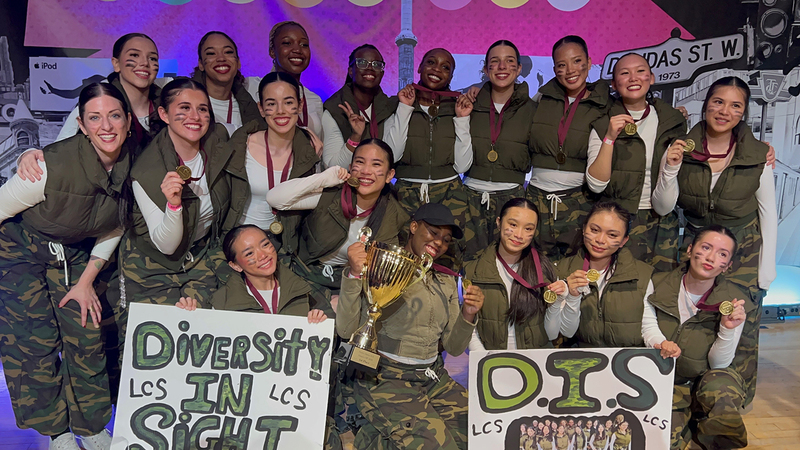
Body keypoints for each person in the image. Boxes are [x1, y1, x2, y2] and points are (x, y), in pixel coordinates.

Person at [0, 83, 132, 450]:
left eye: (114, 115)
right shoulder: (48, 168)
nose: (106, 125)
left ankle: (90, 428)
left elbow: (118, 223)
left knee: (86, 334)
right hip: (19, 250)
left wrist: (87, 280)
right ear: (82, 124)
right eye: (95, 117)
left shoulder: (133, 163)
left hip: (72, 253)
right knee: (32, 341)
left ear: (128, 120)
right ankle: (56, 432)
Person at [336, 202, 484, 449]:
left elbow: (454, 347)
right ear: (414, 227)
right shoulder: (380, 264)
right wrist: (353, 275)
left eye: (446, 239)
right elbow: (345, 329)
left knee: (478, 432)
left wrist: (468, 315)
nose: (439, 242)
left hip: (431, 377)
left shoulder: (446, 280)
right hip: (384, 378)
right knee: (438, 444)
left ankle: (378, 436)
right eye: (433, 233)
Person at [673, 76, 777, 406]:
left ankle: (736, 399)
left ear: (743, 113)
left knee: (741, 323)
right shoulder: (684, 148)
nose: (724, 111)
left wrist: (766, 271)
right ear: (706, 104)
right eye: (718, 101)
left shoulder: (758, 154)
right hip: (697, 241)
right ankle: (693, 389)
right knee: (695, 317)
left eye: (735, 105)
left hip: (743, 249)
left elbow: (768, 214)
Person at [114, 78, 242, 343]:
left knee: (200, 339)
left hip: (199, 256)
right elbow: (166, 244)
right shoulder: (147, 169)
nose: (195, 117)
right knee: (150, 344)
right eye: (183, 108)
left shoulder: (217, 140)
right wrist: (173, 204)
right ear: (164, 114)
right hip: (152, 264)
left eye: (203, 109)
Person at [642, 225, 752, 449]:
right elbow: (647, 325)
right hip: (667, 381)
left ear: (728, 266)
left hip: (704, 379)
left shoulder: (733, 300)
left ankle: (708, 429)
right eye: (706, 247)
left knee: (721, 388)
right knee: (663, 442)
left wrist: (727, 328)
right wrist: (660, 343)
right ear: (690, 250)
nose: (711, 257)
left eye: (722, 254)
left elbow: (719, 364)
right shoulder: (658, 282)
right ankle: (686, 422)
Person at [266, 139, 407, 296]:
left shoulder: (393, 214)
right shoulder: (332, 195)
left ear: (389, 175)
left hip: (347, 281)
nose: (366, 171)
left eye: (376, 164)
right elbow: (275, 198)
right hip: (304, 272)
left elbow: (383, 272)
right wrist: (324, 178)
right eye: (360, 162)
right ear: (351, 168)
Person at [586, 53, 685, 272]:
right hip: (616, 222)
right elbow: (596, 185)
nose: (633, 78)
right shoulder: (603, 122)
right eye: (624, 73)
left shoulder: (672, 121)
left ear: (651, 78)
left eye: (640, 71)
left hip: (661, 224)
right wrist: (609, 137)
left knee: (658, 292)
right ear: (614, 83)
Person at [384, 47, 473, 269]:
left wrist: (462, 119)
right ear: (420, 67)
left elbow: (462, 165)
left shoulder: (457, 107)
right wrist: (404, 108)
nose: (437, 70)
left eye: (445, 67)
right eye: (431, 62)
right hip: (407, 192)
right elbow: (391, 155)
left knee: (447, 259)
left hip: (449, 194)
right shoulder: (401, 103)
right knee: (403, 256)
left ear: (451, 76)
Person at [527, 36, 612, 261]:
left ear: (589, 62)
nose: (570, 70)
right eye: (561, 65)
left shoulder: (605, 104)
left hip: (579, 200)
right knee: (533, 267)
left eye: (576, 61)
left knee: (575, 270)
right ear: (554, 68)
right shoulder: (541, 98)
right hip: (536, 197)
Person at [466, 198, 578, 350]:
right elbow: (470, 329)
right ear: (499, 223)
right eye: (513, 224)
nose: (519, 235)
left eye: (528, 229)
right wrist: (487, 361)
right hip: (491, 363)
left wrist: (560, 301)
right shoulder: (474, 271)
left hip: (535, 364)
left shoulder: (545, 269)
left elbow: (552, 335)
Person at [461, 40, 536, 262]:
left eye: (509, 61)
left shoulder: (533, 110)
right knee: (470, 268)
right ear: (485, 69)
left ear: (519, 68)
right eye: (495, 61)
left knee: (510, 266)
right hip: (470, 197)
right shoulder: (469, 105)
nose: (502, 66)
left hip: (512, 198)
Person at [227, 72, 321, 233]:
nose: (280, 111)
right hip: (242, 237)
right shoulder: (243, 145)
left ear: (300, 105)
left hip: (285, 241)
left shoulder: (310, 149)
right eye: (271, 104)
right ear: (261, 109)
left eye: (288, 102)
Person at [555, 201, 653, 347]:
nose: (600, 240)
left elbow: (649, 325)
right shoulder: (562, 269)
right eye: (594, 230)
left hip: (627, 360)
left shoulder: (642, 274)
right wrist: (572, 297)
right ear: (583, 229)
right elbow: (565, 331)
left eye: (612, 235)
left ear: (623, 241)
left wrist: (659, 343)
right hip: (582, 358)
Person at [55, 33, 164, 147]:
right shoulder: (95, 102)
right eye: (134, 55)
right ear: (116, 63)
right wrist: (34, 153)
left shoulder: (168, 101)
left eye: (152, 58)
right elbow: (59, 150)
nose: (145, 63)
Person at [322, 44, 398, 168]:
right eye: (362, 63)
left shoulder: (389, 107)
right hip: (343, 185)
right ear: (351, 71)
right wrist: (355, 137)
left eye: (377, 64)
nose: (370, 68)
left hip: (377, 182)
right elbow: (333, 167)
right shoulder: (335, 108)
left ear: (382, 73)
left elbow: (393, 156)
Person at [246, 21, 324, 139]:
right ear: (272, 52)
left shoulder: (314, 99)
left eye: (304, 44)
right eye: (287, 43)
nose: (297, 49)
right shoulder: (250, 87)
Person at [191, 31, 263, 135]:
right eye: (211, 53)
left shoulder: (250, 103)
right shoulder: (183, 100)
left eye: (228, 52)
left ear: (238, 62)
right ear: (201, 64)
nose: (221, 58)